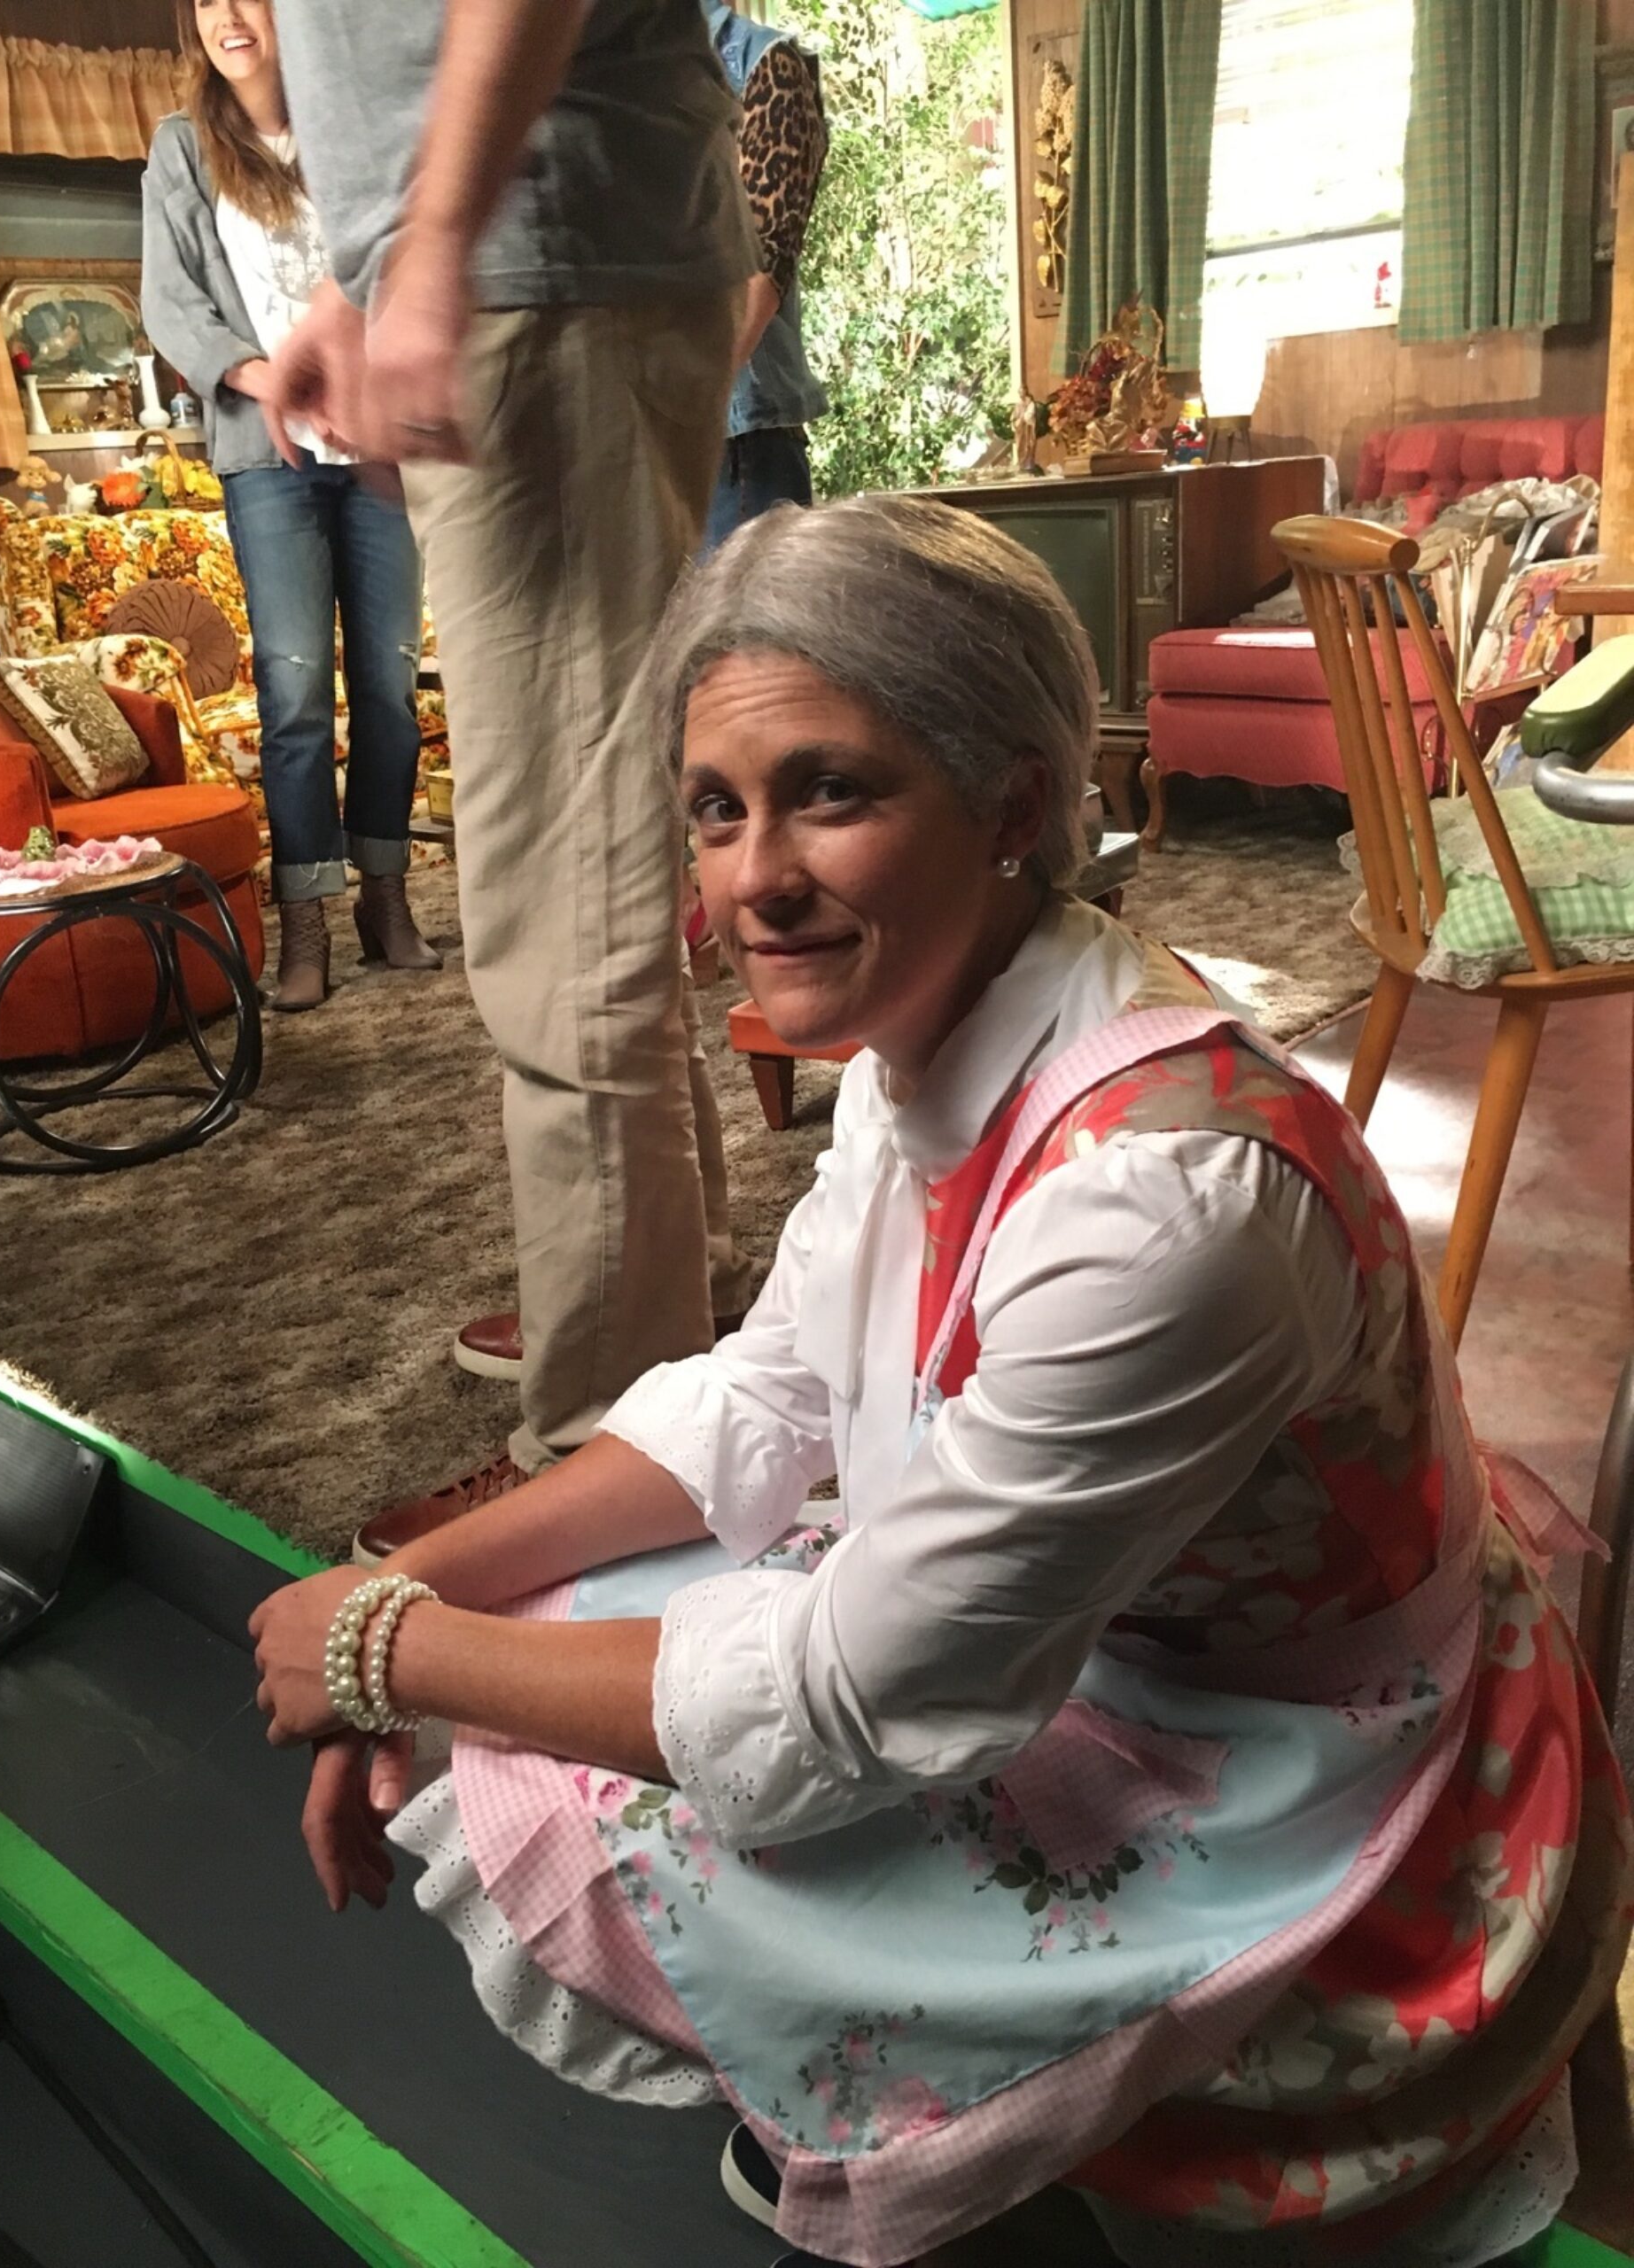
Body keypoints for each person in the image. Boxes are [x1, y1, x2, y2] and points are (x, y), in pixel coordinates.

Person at [251, 500, 1632, 2268]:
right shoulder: (944, 1025)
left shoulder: (1168, 1197)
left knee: (598, 1719)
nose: (753, 877)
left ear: (1014, 810)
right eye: (716, 807)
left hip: (1298, 1755)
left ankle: (995, 2119)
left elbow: (854, 1701)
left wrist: (390, 1653)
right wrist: (416, 1582)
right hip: (1114, 1626)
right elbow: (772, 1391)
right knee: (564, 1631)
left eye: (829, 791)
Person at [261, 0, 756, 1523]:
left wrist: (434, 244)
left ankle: (608, 1461)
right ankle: (667, 1300)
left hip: (536, 261)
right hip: (518, 254)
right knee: (588, 870)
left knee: (561, 911)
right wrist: (364, 275)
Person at [142, 0, 437, 1013]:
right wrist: (270, 380)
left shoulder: (347, 121)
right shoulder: (183, 148)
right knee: (297, 688)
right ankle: (306, 916)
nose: (227, 16)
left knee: (390, 682)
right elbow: (171, 301)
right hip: (267, 459)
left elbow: (400, 262)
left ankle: (385, 896)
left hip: (377, 447)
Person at [700, 0, 829, 549]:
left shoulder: (762, 63)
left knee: (743, 607)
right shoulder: (623, 69)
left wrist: (677, 410)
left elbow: (760, 275)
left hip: (736, 441)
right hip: (655, 432)